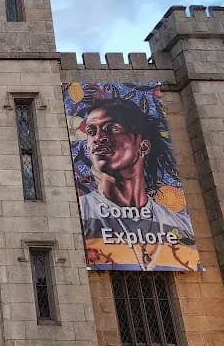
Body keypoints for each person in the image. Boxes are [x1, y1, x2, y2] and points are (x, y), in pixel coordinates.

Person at [78, 98, 195, 270]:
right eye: (91, 131)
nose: (98, 138)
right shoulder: (80, 212)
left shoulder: (181, 225)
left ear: (143, 146)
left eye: (112, 129)